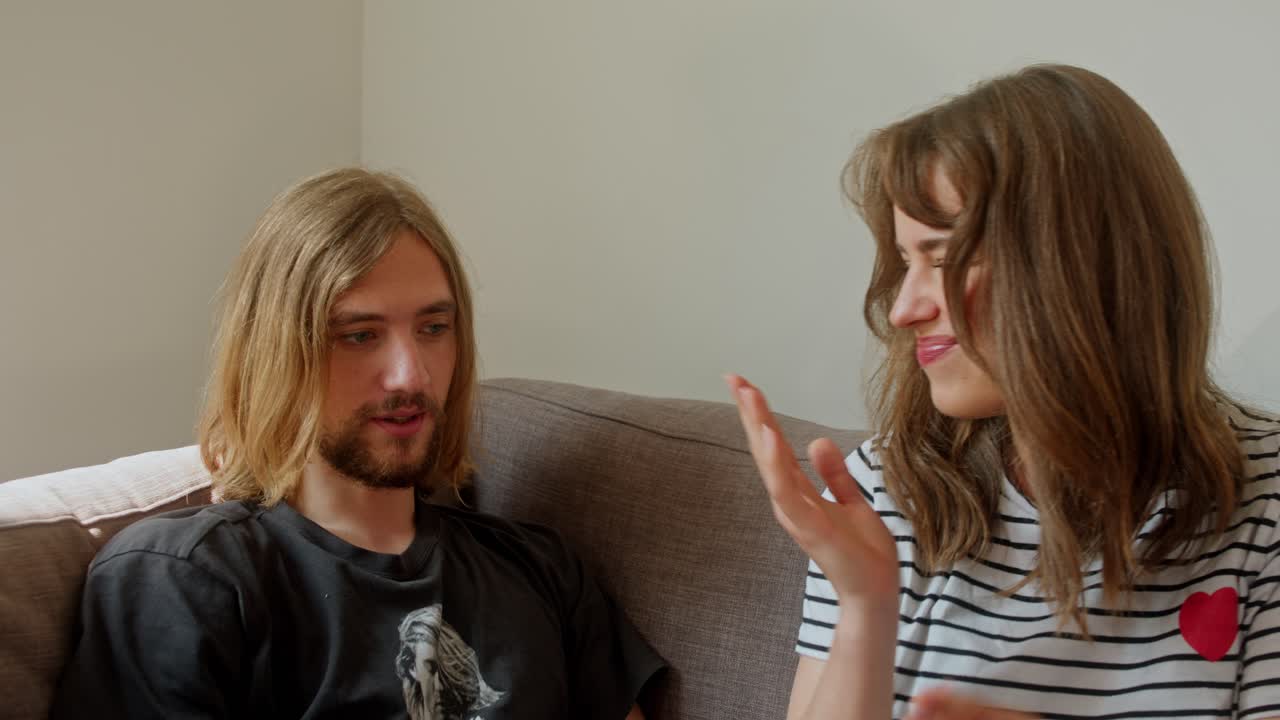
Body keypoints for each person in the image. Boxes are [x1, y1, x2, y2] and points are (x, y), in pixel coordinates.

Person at [727, 64, 1280, 720]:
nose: (903, 309)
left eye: (942, 259)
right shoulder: (879, 489)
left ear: (1076, 265)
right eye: (906, 263)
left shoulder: (1264, 502)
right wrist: (865, 607)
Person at [51, 168, 664, 719]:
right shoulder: (184, 579)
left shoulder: (539, 569)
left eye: (433, 328)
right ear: (276, 355)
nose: (412, 375)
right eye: (359, 335)